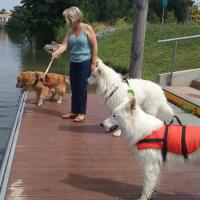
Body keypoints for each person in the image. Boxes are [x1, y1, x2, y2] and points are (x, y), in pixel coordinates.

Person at [52, 6, 97, 122]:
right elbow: (64, 45)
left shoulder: (87, 28)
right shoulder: (69, 31)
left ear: (74, 17)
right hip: (73, 63)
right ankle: (74, 111)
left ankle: (81, 112)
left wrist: (93, 63)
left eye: (68, 18)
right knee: (74, 88)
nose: (67, 21)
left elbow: (94, 46)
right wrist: (57, 52)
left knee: (81, 88)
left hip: (85, 63)